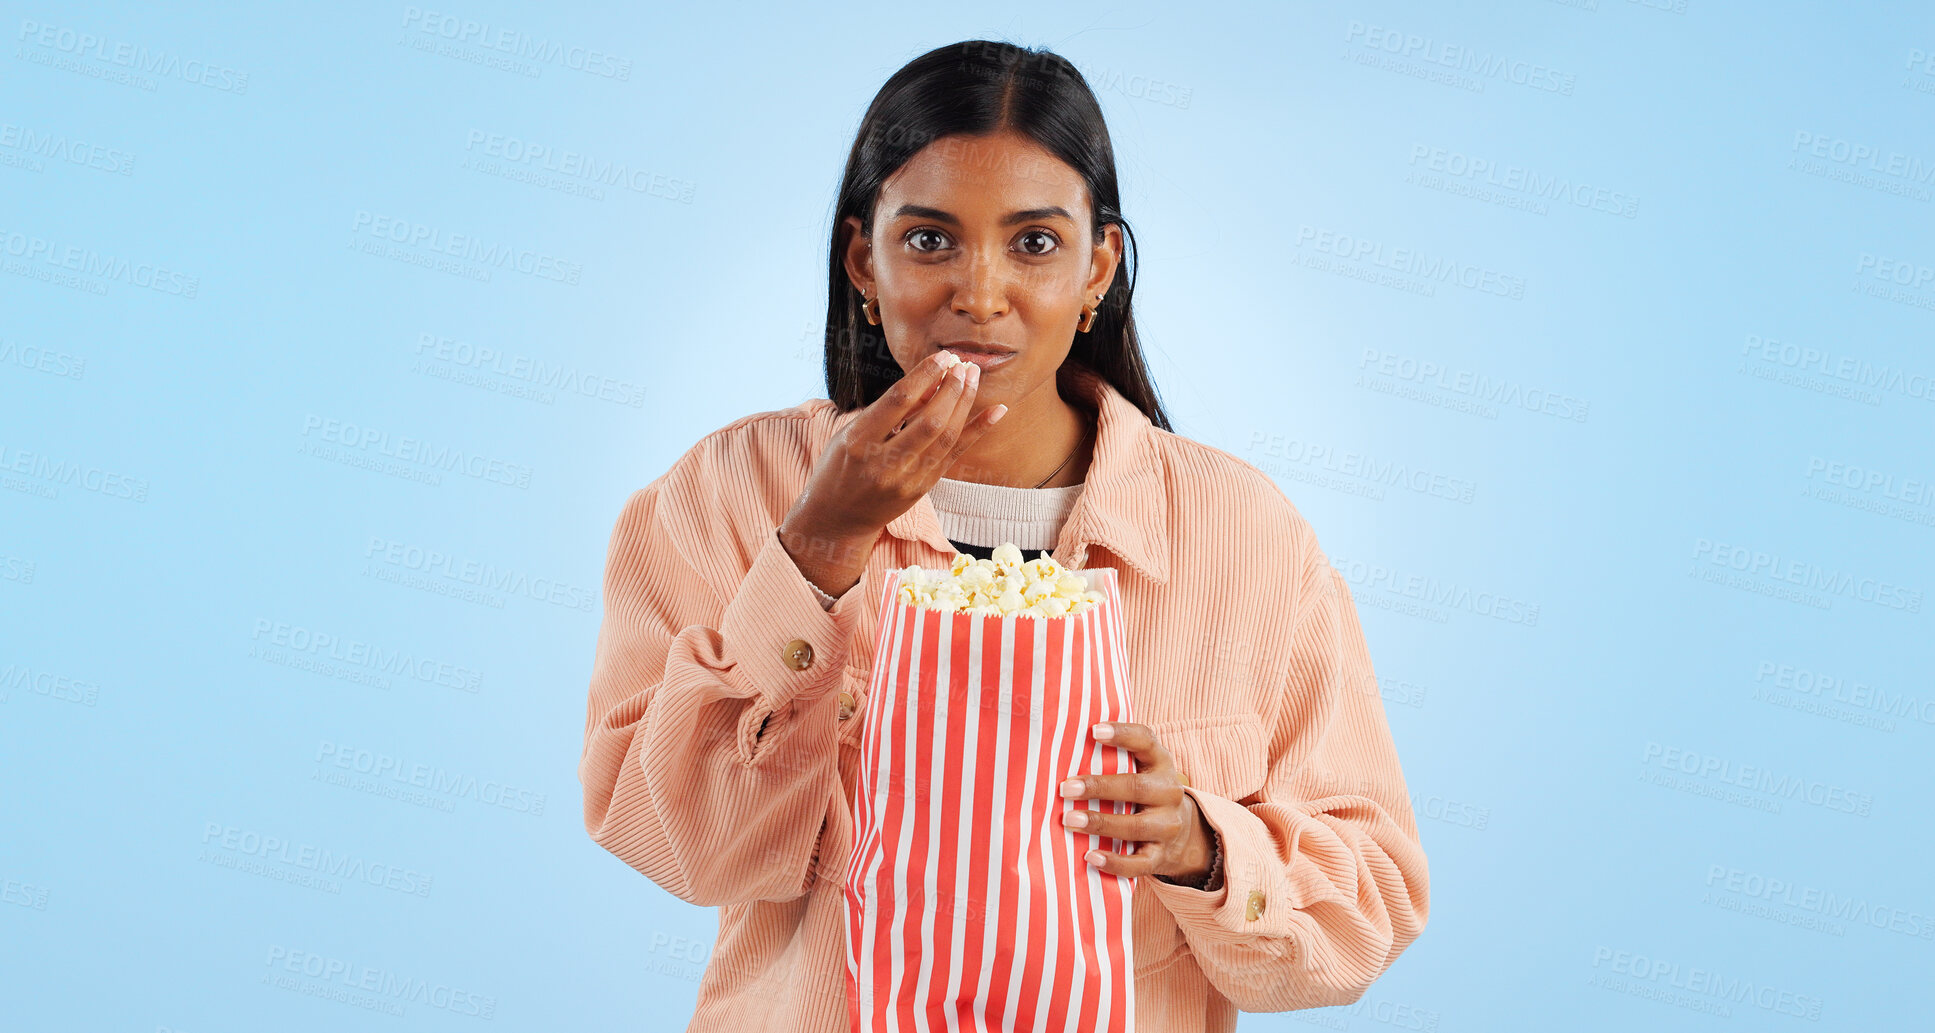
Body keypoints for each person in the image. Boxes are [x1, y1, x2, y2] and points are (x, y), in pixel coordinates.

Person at [578, 39, 1429, 1032]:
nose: (978, 295)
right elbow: (676, 841)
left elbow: (1371, 903)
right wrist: (815, 548)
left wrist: (1202, 845)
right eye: (930, 240)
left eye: (1033, 243)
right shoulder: (725, 494)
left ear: (1097, 269)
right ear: (865, 260)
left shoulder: (1245, 538)